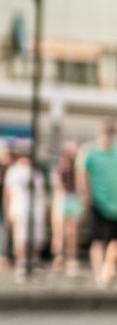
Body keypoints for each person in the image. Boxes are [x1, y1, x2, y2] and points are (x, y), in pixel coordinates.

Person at [79, 122, 117, 286]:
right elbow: (82, 173)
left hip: (115, 203)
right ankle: (99, 274)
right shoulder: (91, 153)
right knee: (98, 240)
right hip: (99, 202)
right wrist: (86, 194)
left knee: (114, 241)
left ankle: (108, 268)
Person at [3, 146, 46, 279]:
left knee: (36, 238)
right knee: (20, 237)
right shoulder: (13, 171)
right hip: (20, 208)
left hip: (36, 209)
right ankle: (21, 264)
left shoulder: (36, 172)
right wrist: (8, 210)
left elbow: (41, 192)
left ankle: (34, 262)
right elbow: (7, 193)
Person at [50, 143, 82, 275]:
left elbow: (80, 185)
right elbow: (57, 187)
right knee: (60, 231)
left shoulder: (76, 170)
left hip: (72, 199)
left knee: (72, 232)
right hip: (62, 199)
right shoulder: (58, 170)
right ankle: (59, 257)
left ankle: (71, 259)